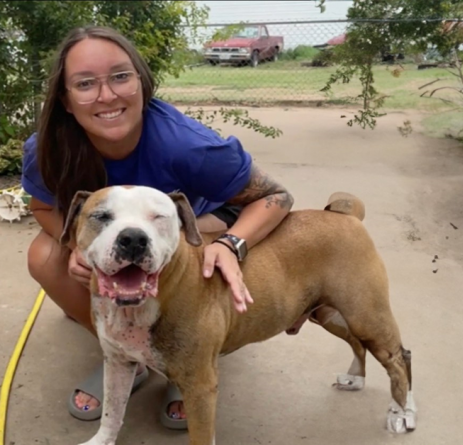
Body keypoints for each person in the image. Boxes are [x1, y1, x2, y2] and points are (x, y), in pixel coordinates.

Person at [21, 25, 294, 430]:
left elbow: (277, 199)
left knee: (187, 255)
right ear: (64, 99)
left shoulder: (187, 146)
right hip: (117, 236)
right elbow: (42, 206)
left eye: (120, 76)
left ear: (142, 83)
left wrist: (233, 243)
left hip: (196, 227)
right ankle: (122, 352)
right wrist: (78, 248)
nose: (107, 95)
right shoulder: (48, 148)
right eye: (85, 83)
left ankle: (186, 360)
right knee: (45, 255)